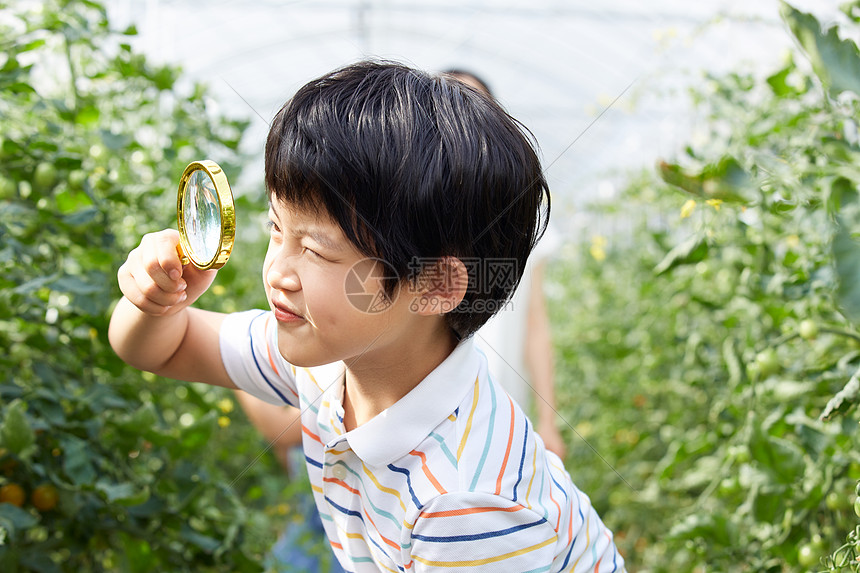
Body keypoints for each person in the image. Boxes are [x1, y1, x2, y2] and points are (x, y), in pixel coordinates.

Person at [109, 60, 624, 572]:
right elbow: (162, 347)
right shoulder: (330, 360)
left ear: (435, 285)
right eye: (275, 228)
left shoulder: (465, 506)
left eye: (315, 250)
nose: (277, 272)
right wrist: (155, 304)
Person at [444, 69, 567, 460]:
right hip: (431, 409)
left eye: (472, 105)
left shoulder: (525, 214)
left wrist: (548, 419)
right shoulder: (413, 212)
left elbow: (535, 322)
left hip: (502, 407)